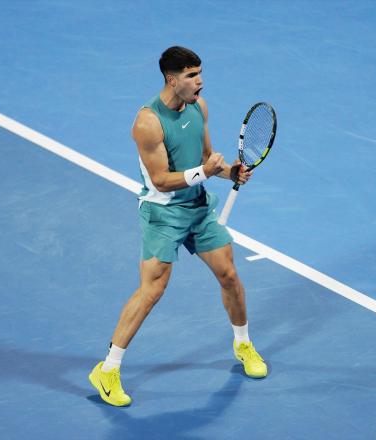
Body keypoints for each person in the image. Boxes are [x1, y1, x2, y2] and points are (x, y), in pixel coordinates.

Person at [88, 46, 267, 406]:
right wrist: (204, 172)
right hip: (163, 214)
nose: (199, 81)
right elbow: (159, 180)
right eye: (190, 75)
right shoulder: (147, 122)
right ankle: (107, 369)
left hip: (197, 208)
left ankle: (243, 344)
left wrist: (230, 171)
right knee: (152, 291)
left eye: (199, 73)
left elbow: (205, 159)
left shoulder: (199, 107)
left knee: (229, 275)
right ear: (171, 79)